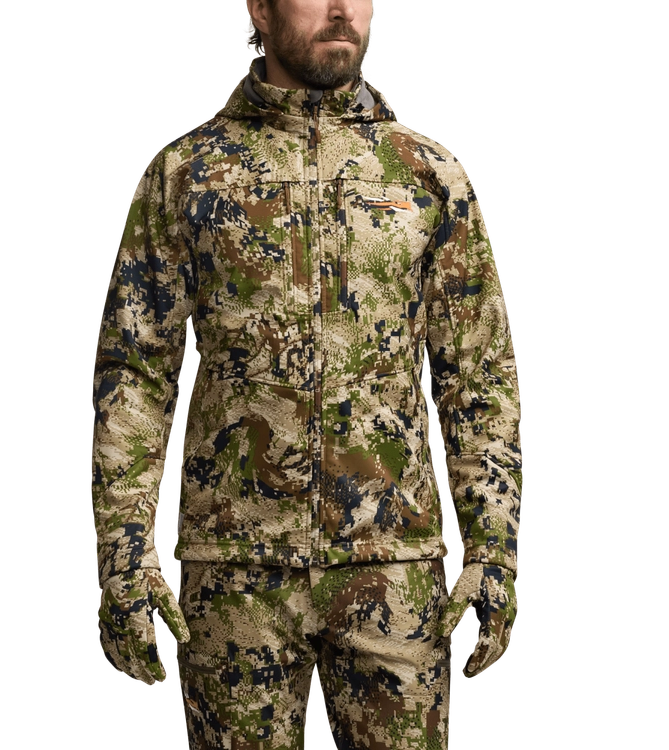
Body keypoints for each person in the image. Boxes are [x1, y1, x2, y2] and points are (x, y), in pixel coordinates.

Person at [91, 0, 523, 747]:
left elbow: (479, 375)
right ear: (257, 9)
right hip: (234, 578)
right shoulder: (186, 173)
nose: (340, 9)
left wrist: (492, 548)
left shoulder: (429, 173)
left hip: (395, 571)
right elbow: (133, 373)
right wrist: (125, 555)